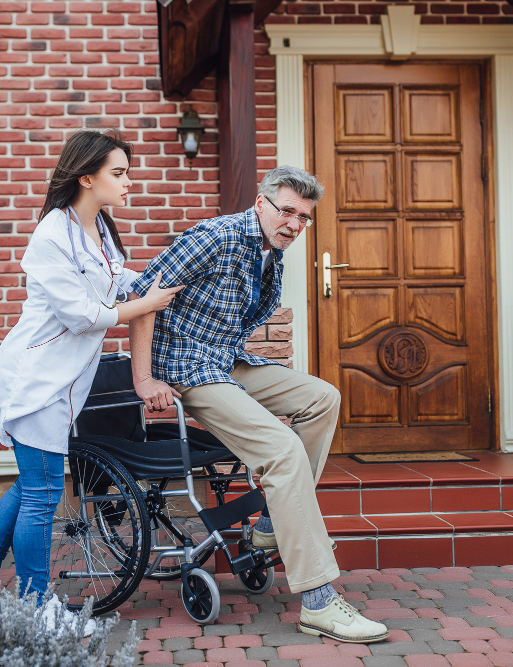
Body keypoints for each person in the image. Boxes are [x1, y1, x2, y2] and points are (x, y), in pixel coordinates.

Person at [128, 166, 389, 644]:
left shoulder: (271, 253)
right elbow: (144, 296)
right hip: (187, 366)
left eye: (304, 217)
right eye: (287, 210)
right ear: (261, 203)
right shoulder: (216, 236)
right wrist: (143, 379)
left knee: (321, 397)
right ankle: (319, 601)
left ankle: (269, 524)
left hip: (225, 360)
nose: (294, 223)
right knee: (282, 450)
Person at [0, 130, 183, 634]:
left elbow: (119, 283)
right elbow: (81, 315)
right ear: (87, 176)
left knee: (32, 487)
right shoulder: (51, 234)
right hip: (35, 381)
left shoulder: (101, 229)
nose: (128, 182)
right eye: (118, 173)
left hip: (63, 384)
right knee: (42, 495)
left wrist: (159, 284)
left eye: (127, 172)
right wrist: (147, 304)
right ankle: (36, 611)